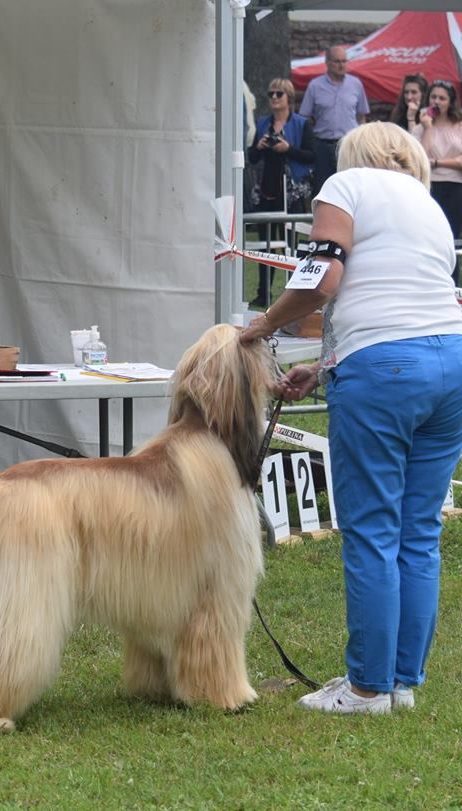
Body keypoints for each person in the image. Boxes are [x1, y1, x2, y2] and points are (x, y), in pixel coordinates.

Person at [241, 122, 462, 714]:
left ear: (354, 155)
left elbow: (325, 280)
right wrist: (325, 365)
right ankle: (402, 683)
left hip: (384, 370)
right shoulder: (428, 203)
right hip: (451, 361)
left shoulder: (345, 184)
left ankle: (365, 687)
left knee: (371, 531)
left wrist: (262, 324)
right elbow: (406, 295)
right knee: (420, 531)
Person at [247, 77, 316, 306]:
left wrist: (288, 148)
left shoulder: (300, 123)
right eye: (271, 94)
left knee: (291, 244)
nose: (274, 98)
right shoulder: (264, 122)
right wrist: (258, 146)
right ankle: (263, 292)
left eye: (279, 94)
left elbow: (311, 155)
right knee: (265, 245)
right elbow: (252, 157)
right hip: (267, 188)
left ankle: (292, 293)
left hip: (291, 190)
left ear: (289, 97)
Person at [298, 45, 369, 195]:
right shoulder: (315, 86)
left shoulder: (356, 84)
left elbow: (362, 116)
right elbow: (304, 117)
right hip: (323, 145)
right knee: (324, 189)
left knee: (351, 188)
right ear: (327, 63)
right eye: (337, 61)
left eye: (344, 61)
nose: (341, 65)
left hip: (349, 145)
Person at [412, 79, 462, 282]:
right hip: (430, 186)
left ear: (450, 102)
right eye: (433, 97)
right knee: (429, 236)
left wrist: (437, 162)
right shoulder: (421, 127)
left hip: (455, 186)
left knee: (451, 235)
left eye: (442, 98)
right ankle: (429, 279)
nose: (437, 101)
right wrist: (428, 127)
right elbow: (419, 158)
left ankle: (452, 279)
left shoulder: (458, 126)